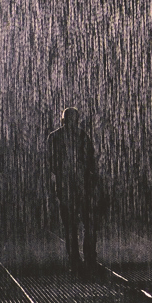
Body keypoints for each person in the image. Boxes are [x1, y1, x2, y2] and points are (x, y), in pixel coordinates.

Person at [48, 107, 102, 273]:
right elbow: (51, 162)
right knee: (80, 223)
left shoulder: (61, 137)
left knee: (78, 223)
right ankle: (83, 258)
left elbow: (51, 163)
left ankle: (81, 258)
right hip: (75, 186)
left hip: (76, 186)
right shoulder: (75, 137)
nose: (73, 123)